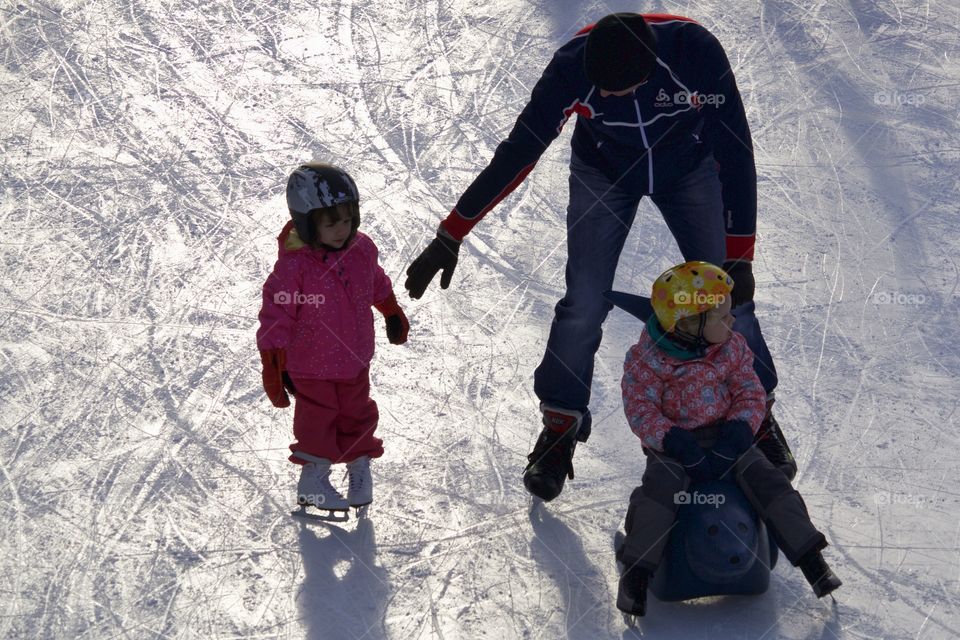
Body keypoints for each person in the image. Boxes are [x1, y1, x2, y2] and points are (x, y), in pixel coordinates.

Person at [403, 12, 796, 502]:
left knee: (725, 295)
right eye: (599, 91)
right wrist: (452, 231)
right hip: (603, 171)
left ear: (650, 68)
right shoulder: (571, 67)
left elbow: (735, 150)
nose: (605, 98)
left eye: (618, 90)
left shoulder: (695, 53)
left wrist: (740, 256)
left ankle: (754, 416)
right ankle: (560, 425)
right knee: (584, 300)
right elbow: (520, 150)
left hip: (688, 166)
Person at [614, 261, 841, 616]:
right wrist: (672, 440)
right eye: (721, 316)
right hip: (674, 449)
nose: (732, 321)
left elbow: (750, 394)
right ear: (688, 323)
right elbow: (639, 409)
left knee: (770, 481)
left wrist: (737, 433)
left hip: (727, 440)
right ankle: (637, 575)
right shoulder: (647, 359)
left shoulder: (732, 348)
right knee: (659, 492)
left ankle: (811, 558)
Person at [257, 163, 409, 513]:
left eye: (346, 219)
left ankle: (359, 469)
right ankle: (313, 482)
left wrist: (391, 310)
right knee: (317, 422)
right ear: (308, 224)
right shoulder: (294, 267)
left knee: (358, 414)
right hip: (310, 366)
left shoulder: (362, 249)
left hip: (354, 359)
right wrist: (273, 361)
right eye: (330, 223)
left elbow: (376, 282)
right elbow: (275, 313)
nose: (341, 230)